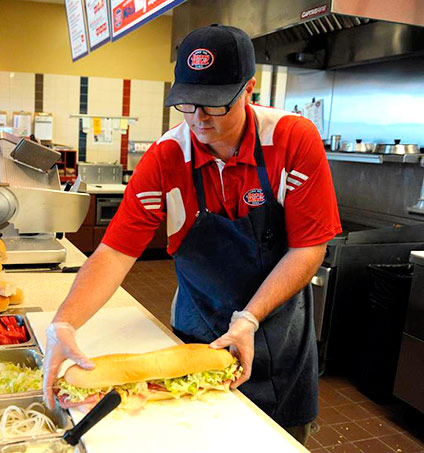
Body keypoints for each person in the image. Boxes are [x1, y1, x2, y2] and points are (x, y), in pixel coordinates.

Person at [42, 24, 341, 445]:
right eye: (187, 103)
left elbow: (309, 248)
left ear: (248, 90)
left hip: (277, 333)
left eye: (215, 105)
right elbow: (114, 253)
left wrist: (249, 318)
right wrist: (64, 323)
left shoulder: (292, 139)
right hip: (197, 334)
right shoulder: (167, 157)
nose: (199, 118)